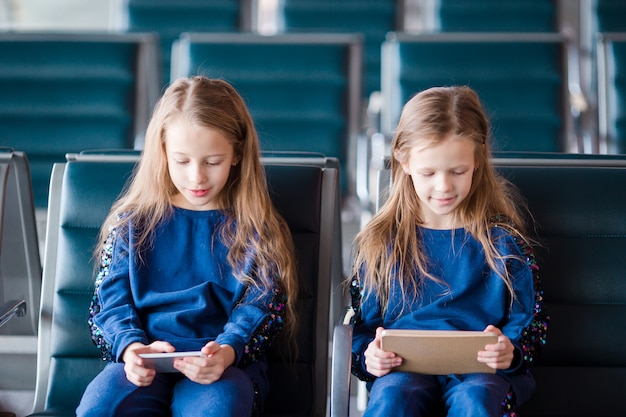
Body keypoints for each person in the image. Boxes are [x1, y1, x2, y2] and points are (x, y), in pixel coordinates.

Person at [76, 76, 298, 417]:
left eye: (212, 162)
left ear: (237, 153)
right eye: (182, 161)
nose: (197, 177)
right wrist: (130, 347)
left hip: (223, 365)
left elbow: (261, 308)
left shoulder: (257, 228)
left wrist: (226, 351)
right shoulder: (133, 223)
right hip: (146, 358)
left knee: (218, 409)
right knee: (101, 407)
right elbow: (110, 302)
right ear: (162, 152)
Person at [348, 86, 549, 416]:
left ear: (477, 162)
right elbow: (362, 329)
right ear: (404, 160)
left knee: (476, 400)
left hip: (483, 375)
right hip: (403, 373)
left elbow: (528, 321)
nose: (443, 186)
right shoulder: (383, 243)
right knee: (394, 399)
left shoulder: (502, 242)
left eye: (458, 171)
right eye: (429, 173)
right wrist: (369, 356)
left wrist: (510, 351)